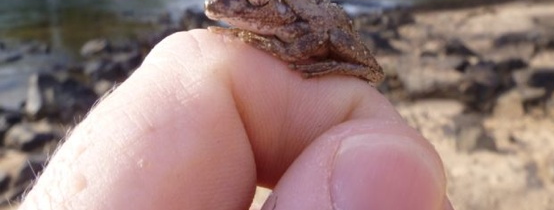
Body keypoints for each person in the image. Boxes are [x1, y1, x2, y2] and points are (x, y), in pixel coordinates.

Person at [20, 30, 453, 210]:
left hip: (329, 39)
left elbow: (312, 41)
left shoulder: (295, 21)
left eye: (257, 0)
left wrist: (306, 60)